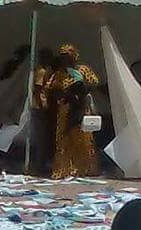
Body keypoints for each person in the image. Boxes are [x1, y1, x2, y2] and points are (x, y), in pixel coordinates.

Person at [48, 44, 100, 179]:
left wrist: (81, 90)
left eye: (68, 57)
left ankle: (85, 168)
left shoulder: (83, 70)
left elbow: (94, 84)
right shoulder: (59, 73)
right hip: (66, 109)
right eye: (63, 57)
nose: (65, 60)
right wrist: (66, 94)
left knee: (84, 139)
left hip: (82, 108)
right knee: (64, 139)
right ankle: (64, 169)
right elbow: (52, 90)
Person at [30, 48, 54, 176]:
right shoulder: (41, 72)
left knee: (43, 138)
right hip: (39, 108)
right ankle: (39, 166)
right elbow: (38, 90)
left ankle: (40, 164)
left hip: (41, 107)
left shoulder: (43, 71)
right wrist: (42, 106)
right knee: (41, 138)